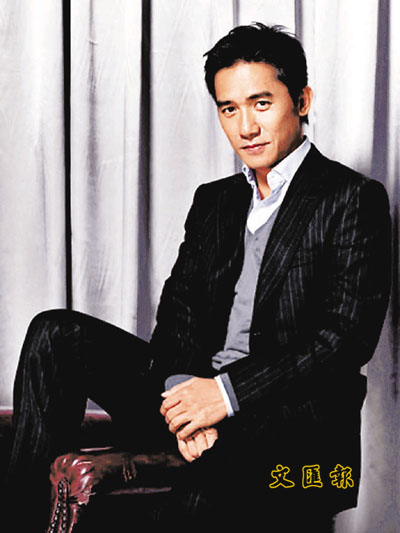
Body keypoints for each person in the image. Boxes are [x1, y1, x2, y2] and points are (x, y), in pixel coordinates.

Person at [4, 23, 391, 532]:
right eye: (229, 109)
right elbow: (177, 318)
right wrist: (185, 398)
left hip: (288, 430)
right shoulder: (215, 202)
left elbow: (343, 339)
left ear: (302, 100)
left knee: (204, 498)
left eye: (261, 103)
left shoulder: (351, 198)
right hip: (192, 398)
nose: (246, 127)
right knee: (55, 334)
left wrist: (223, 396)